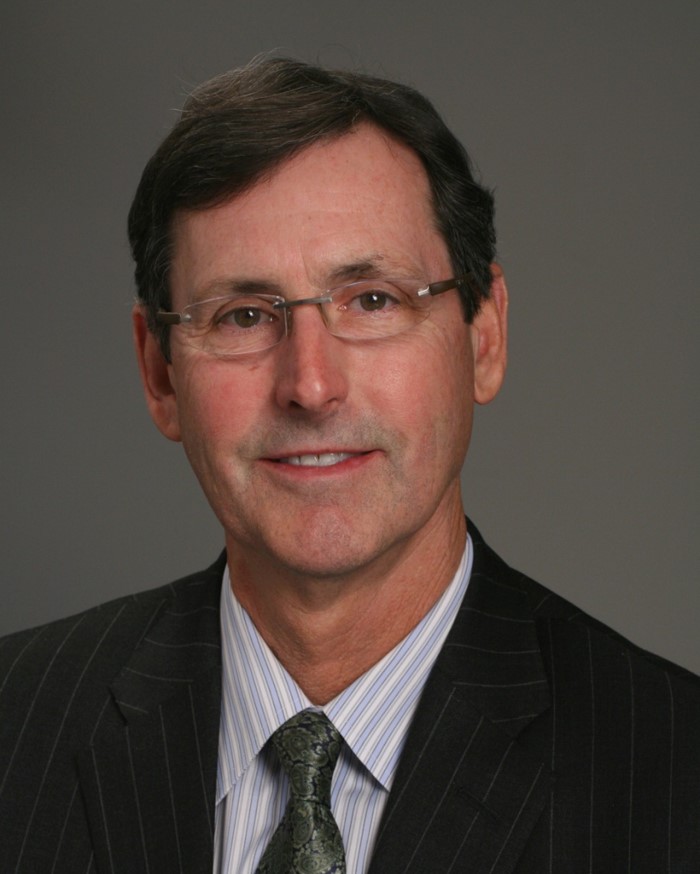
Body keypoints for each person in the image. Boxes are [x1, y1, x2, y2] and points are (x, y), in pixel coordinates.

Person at [1, 57, 698, 874]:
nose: (310, 385)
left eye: (373, 300)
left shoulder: (671, 772)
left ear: (484, 336)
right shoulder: (17, 729)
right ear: (159, 373)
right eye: (243, 316)